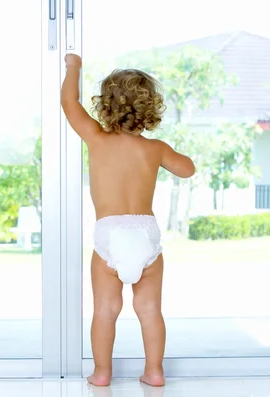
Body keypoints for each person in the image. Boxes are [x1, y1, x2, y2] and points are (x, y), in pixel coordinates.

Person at [61, 53, 195, 387]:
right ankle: (154, 372)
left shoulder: (96, 138)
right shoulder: (155, 149)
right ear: (150, 110)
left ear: (104, 107)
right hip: (145, 234)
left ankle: (102, 373)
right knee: (149, 310)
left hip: (110, 233)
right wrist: (168, 153)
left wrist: (73, 66)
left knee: (105, 310)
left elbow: (68, 102)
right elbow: (187, 169)